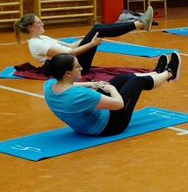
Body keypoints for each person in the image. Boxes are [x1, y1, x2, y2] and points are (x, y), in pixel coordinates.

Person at [43, 51, 180, 136]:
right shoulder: (81, 95)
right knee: (136, 82)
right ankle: (170, 73)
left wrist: (90, 84)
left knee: (121, 78)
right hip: (110, 126)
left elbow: (71, 86)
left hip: (84, 126)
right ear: (68, 73)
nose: (81, 68)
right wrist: (112, 89)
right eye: (77, 66)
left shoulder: (49, 85)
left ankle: (156, 73)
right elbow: (119, 104)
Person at [15, 7, 154, 73]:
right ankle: (139, 24)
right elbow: (70, 54)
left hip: (73, 61)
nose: (43, 24)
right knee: (98, 29)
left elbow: (71, 46)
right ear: (31, 27)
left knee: (98, 29)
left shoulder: (42, 38)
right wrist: (91, 43)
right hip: (72, 67)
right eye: (39, 23)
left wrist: (89, 38)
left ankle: (139, 24)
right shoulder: (36, 44)